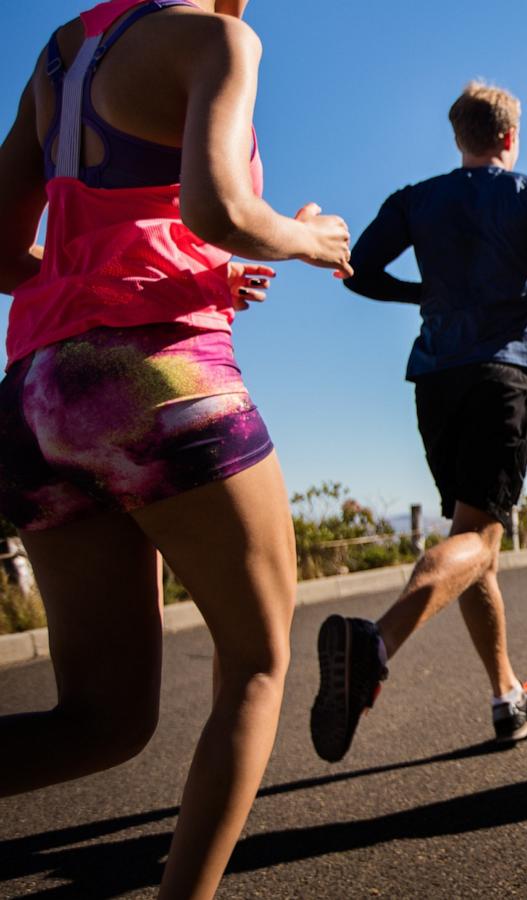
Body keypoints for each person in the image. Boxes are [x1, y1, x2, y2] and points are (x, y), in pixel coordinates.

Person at [0, 0, 353, 895]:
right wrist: (308, 238)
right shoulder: (218, 39)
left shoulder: (59, 53)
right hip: (158, 378)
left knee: (101, 722)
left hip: (37, 398)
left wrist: (165, 266)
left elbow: (4, 249)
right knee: (260, 664)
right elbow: (220, 206)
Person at [316, 81, 527, 762]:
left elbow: (358, 269)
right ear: (510, 137)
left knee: (469, 539)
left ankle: (507, 697)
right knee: (482, 542)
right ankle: (374, 643)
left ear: (460, 137)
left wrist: (423, 293)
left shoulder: (414, 199)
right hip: (503, 373)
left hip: (435, 379)